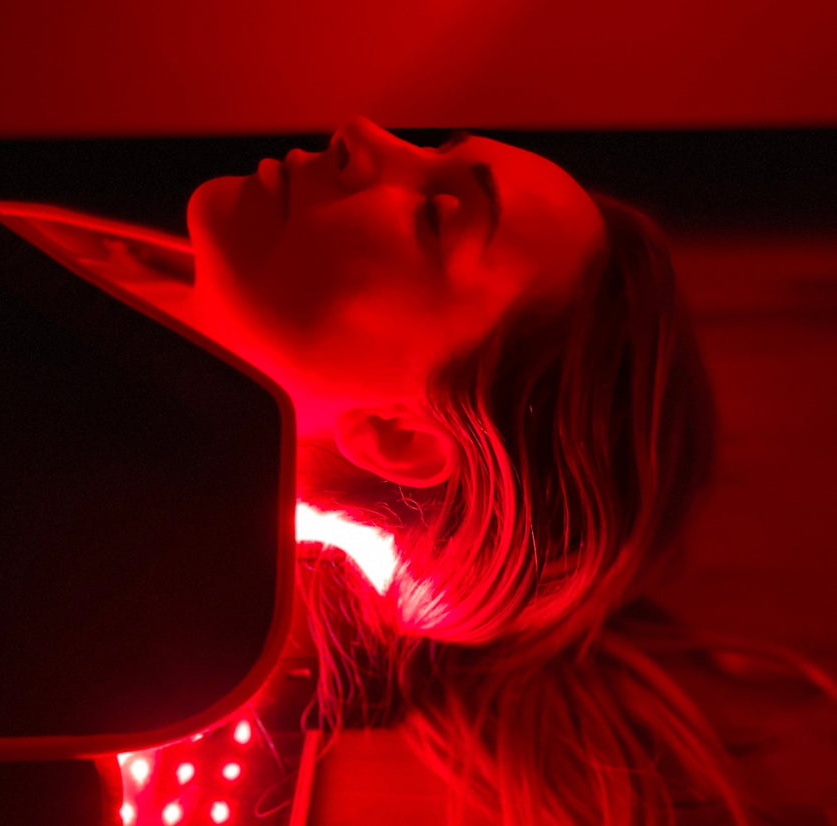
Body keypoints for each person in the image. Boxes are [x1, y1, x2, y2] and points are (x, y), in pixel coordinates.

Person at [188, 115, 837, 826]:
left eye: (434, 219)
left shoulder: (158, 616)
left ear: (397, 435)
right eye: (434, 151)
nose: (361, 133)